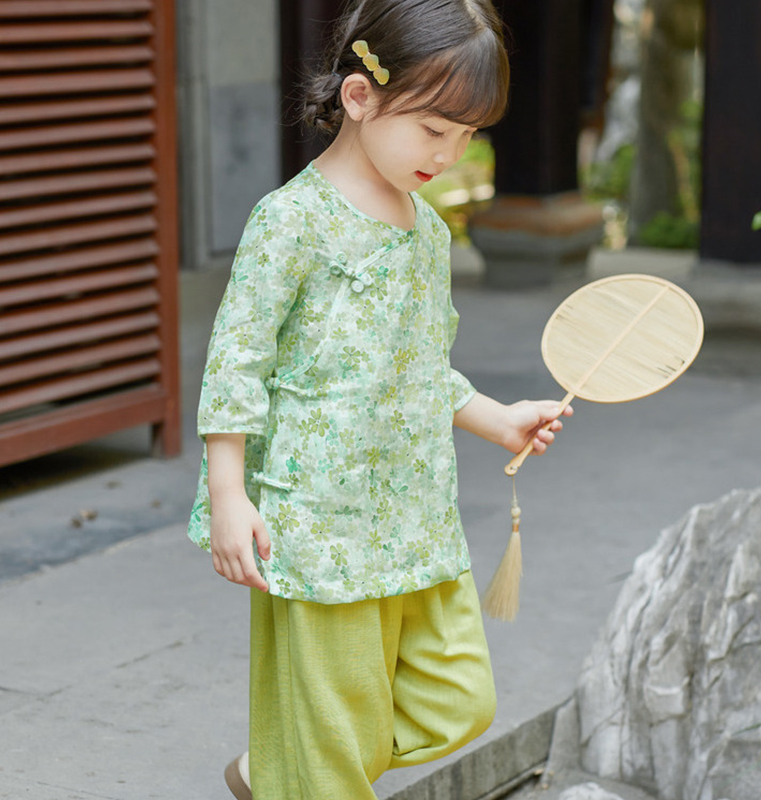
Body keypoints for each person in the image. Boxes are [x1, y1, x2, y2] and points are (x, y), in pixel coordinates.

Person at [187, 1, 572, 797]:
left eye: (469, 137)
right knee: (336, 743)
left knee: (458, 703)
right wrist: (229, 493)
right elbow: (236, 363)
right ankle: (306, 772)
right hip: (318, 524)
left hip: (414, 517)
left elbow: (420, 365)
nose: (452, 153)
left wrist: (498, 420)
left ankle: (286, 771)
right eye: (434, 130)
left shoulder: (429, 233)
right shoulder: (292, 222)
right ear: (360, 98)